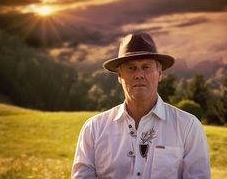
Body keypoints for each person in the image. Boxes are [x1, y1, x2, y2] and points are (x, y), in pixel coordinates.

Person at [72, 32, 211, 179]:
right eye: (131, 68)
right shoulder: (94, 129)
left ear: (160, 73)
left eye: (146, 67)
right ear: (119, 76)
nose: (139, 74)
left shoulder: (188, 127)